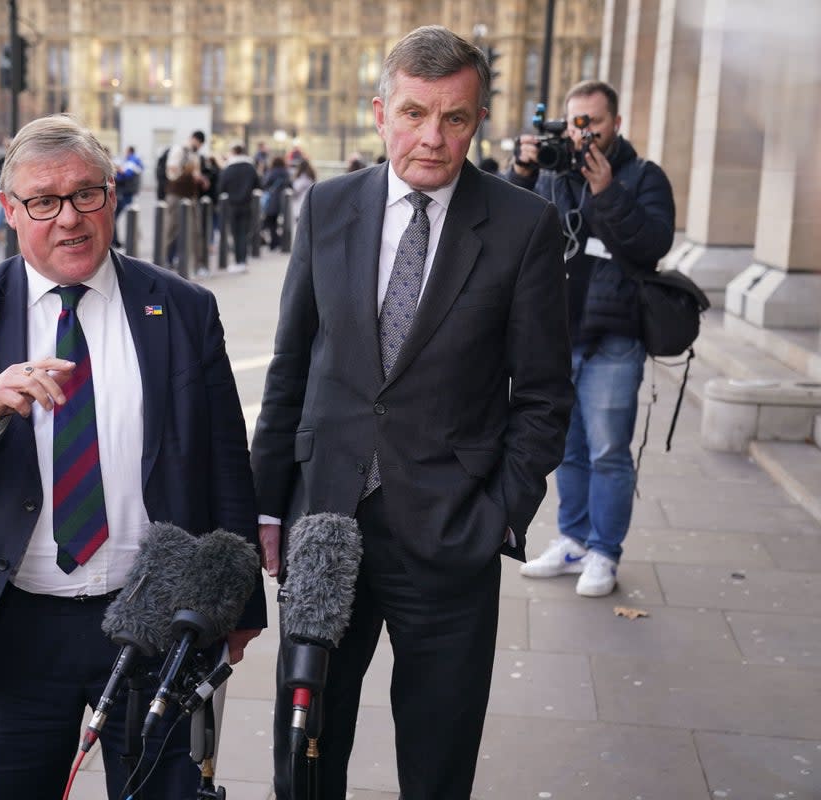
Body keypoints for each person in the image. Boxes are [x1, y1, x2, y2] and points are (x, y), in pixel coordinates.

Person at [0, 114, 266, 800]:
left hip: (155, 622)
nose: (69, 218)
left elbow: (226, 457)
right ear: (11, 212)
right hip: (13, 629)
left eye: (86, 194)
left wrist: (241, 602)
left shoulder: (182, 308)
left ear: (112, 197)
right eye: (44, 202)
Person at [250, 25, 573, 799]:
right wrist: (265, 504)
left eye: (455, 118)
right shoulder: (327, 207)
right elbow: (292, 364)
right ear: (380, 110)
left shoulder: (524, 227)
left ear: (478, 119)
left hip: (451, 532)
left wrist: (498, 513)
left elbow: (543, 396)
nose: (433, 137)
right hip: (325, 526)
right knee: (306, 751)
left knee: (438, 759)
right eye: (415, 113)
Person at [507, 79, 675, 597]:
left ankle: (604, 551)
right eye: (574, 123)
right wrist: (522, 171)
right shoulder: (555, 172)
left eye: (593, 124)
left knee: (608, 452)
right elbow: (506, 229)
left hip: (614, 338)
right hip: (558, 335)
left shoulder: (643, 176)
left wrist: (607, 192)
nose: (582, 135)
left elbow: (651, 245)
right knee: (569, 451)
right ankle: (574, 540)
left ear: (615, 125)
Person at [162, 129, 207, 273]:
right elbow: (172, 170)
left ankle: (197, 264)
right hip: (176, 193)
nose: (199, 146)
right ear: (194, 139)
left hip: (190, 194)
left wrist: (200, 179)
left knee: (196, 230)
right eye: (199, 143)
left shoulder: (196, 155)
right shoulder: (179, 150)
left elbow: (196, 174)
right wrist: (186, 172)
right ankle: (163, 260)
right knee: (171, 229)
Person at [217, 143, 258, 273]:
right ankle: (243, 260)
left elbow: (221, 187)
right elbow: (258, 184)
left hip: (232, 205)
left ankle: (237, 260)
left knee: (235, 234)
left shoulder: (229, 169)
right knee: (244, 233)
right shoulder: (250, 167)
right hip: (247, 204)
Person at [259, 156, 290, 250]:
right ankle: (279, 242)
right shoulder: (285, 172)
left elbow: (264, 184)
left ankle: (275, 242)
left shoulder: (272, 172)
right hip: (283, 201)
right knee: (277, 223)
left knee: (270, 222)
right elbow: (290, 185)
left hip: (272, 201)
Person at [289, 158, 316, 226]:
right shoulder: (311, 178)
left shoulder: (300, 179)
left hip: (299, 207)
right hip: (310, 206)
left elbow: (295, 191)